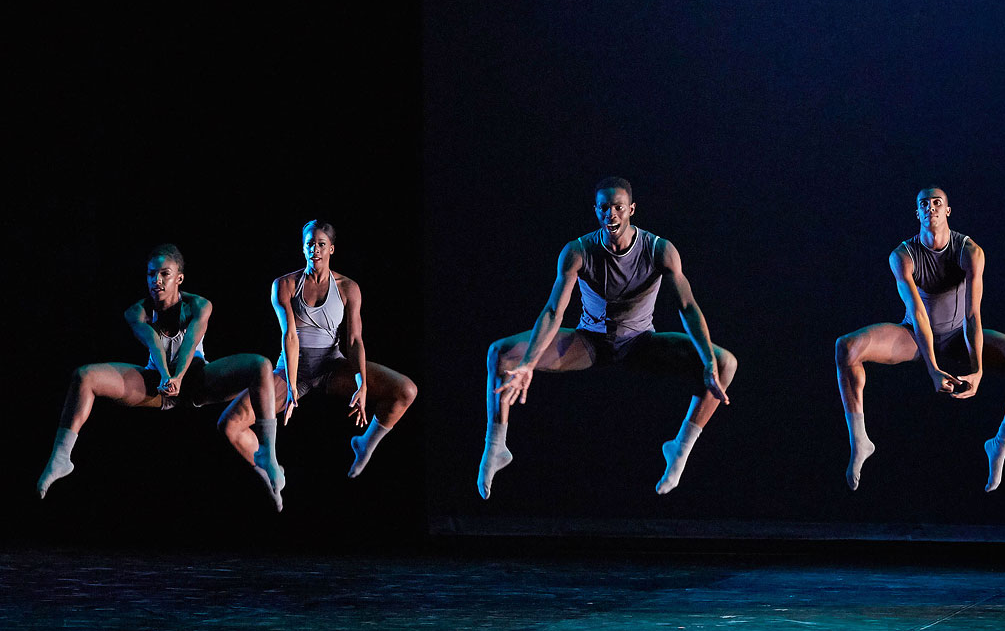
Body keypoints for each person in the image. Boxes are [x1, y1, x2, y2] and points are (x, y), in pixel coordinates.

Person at [478, 176, 737, 499]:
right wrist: (529, 363)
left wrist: (707, 359)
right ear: (596, 211)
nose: (610, 214)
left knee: (725, 364)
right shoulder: (578, 251)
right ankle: (496, 445)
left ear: (631, 209)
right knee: (500, 355)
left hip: (640, 344)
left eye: (617, 207)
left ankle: (680, 448)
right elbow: (552, 312)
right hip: (589, 343)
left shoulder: (659, 250)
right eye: (604, 208)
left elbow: (687, 306)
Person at [37, 244, 285, 507]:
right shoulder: (137, 312)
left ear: (179, 278)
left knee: (261, 365)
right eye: (151, 274)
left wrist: (178, 377)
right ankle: (62, 456)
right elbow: (154, 343)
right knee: (84, 376)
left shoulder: (199, 305)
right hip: (156, 382)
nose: (157, 281)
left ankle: (266, 454)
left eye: (164, 274)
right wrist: (167, 377)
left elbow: (190, 342)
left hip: (198, 380)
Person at [835, 186, 1005, 492]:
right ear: (917, 212)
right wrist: (933, 368)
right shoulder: (903, 256)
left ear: (947, 211)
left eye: (937, 203)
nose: (931, 208)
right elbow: (918, 314)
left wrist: (978, 368)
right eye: (924, 204)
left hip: (960, 335)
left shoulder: (969, 251)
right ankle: (860, 441)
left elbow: (973, 314)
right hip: (914, 336)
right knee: (847, 347)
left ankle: (999, 444)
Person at [217, 220, 417, 495]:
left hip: (331, 367)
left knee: (406, 390)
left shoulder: (348, 288)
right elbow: (290, 337)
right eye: (310, 244)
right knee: (229, 424)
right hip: (291, 370)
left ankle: (365, 444)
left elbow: (354, 340)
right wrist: (289, 388)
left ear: (331, 249)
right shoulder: (285, 285)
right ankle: (269, 468)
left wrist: (362, 383)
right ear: (303, 248)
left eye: (321, 244)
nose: (315, 249)